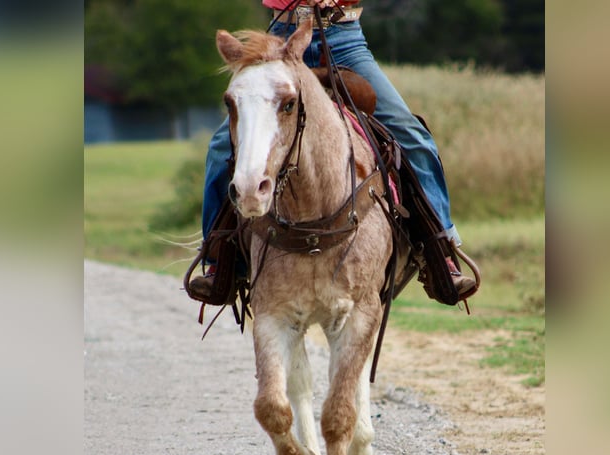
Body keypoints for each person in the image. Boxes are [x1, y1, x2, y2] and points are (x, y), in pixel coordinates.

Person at [190, 0, 476, 298]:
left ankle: (440, 252)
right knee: (220, 147)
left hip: (344, 40)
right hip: (280, 40)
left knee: (414, 138)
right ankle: (217, 260)